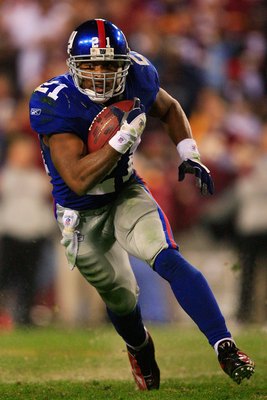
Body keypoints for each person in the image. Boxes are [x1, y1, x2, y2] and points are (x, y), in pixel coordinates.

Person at [29, 19, 255, 390]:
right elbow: (78, 179)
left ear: (123, 62)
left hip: (125, 191)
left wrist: (189, 152)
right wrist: (119, 141)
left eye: (109, 64)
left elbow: (169, 108)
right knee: (122, 297)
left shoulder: (138, 73)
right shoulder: (55, 101)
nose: (101, 74)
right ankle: (140, 347)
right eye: (91, 65)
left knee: (166, 256)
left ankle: (225, 346)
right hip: (80, 213)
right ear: (72, 65)